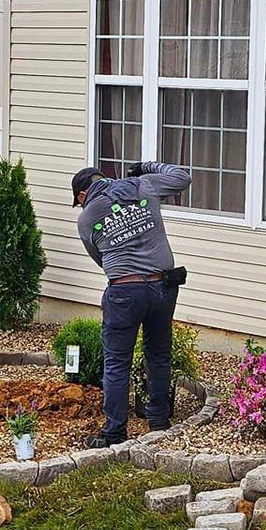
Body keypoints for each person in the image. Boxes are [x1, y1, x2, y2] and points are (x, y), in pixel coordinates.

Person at [71, 161, 190, 448]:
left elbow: (101, 259)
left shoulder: (86, 219)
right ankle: (159, 422)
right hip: (163, 287)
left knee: (116, 363)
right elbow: (182, 177)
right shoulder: (143, 185)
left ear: (83, 195)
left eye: (79, 201)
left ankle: (114, 434)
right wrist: (146, 167)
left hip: (125, 292)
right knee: (158, 354)